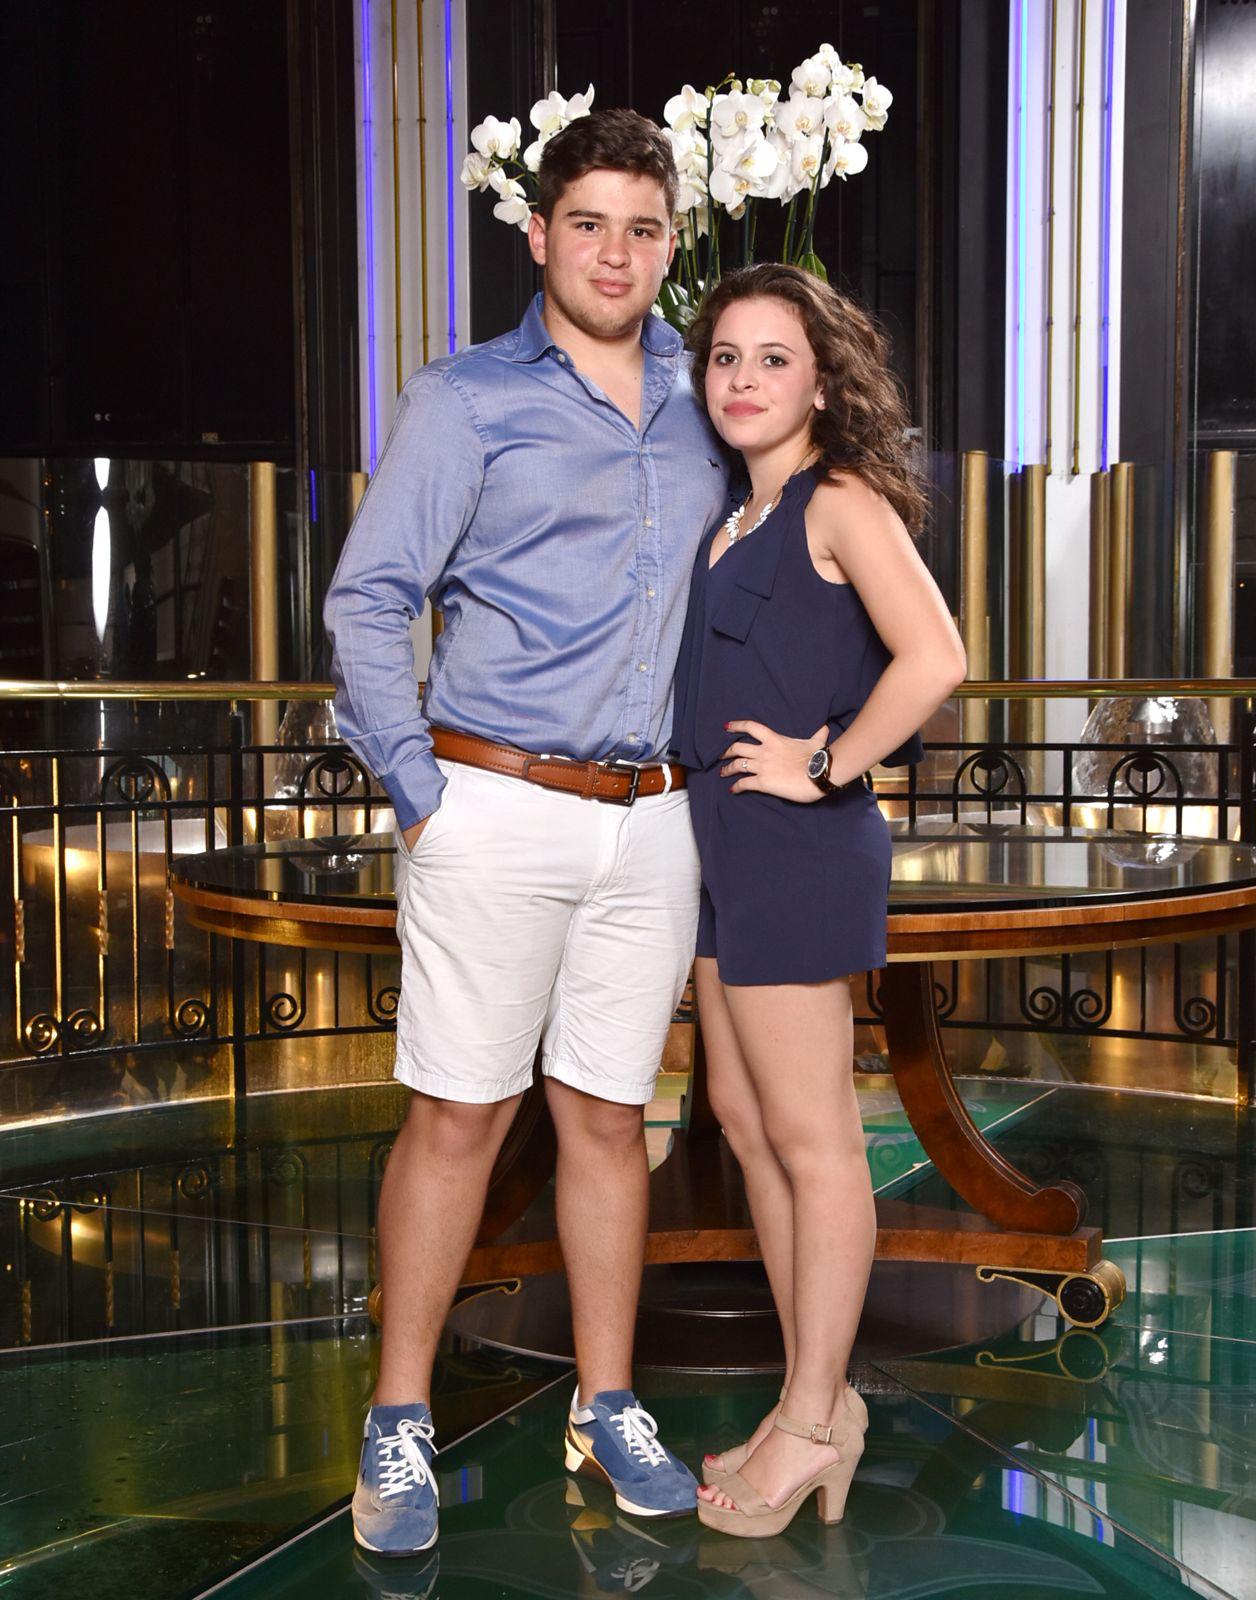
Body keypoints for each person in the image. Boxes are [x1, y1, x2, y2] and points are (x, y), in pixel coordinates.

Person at [323, 109, 731, 1556]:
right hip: (493, 801)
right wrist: (422, 795)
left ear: (672, 243)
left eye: (643, 226)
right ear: (538, 232)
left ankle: (605, 1405)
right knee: (458, 1118)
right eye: (589, 222)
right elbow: (369, 597)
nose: (614, 251)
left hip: (655, 822)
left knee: (610, 1124)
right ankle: (396, 1424)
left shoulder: (711, 396)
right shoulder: (468, 398)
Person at [670, 263, 967, 1538]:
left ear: (823, 378)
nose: (742, 379)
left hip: (795, 844)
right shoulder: (731, 517)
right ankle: (817, 1397)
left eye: (771, 357)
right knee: (742, 1119)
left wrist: (827, 761)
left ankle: (809, 1416)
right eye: (724, 357)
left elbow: (938, 655)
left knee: (812, 1139)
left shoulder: (838, 498)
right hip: (713, 840)